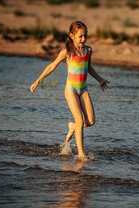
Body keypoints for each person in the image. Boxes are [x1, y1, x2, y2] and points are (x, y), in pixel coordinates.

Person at [30, 21, 109, 159]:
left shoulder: (88, 51)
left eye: (85, 36)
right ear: (72, 35)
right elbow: (52, 66)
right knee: (80, 120)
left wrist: (100, 80)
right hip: (71, 90)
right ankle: (81, 155)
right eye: (80, 36)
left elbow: (88, 68)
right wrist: (38, 80)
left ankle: (72, 127)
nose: (83, 39)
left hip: (83, 90)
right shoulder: (67, 51)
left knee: (90, 121)